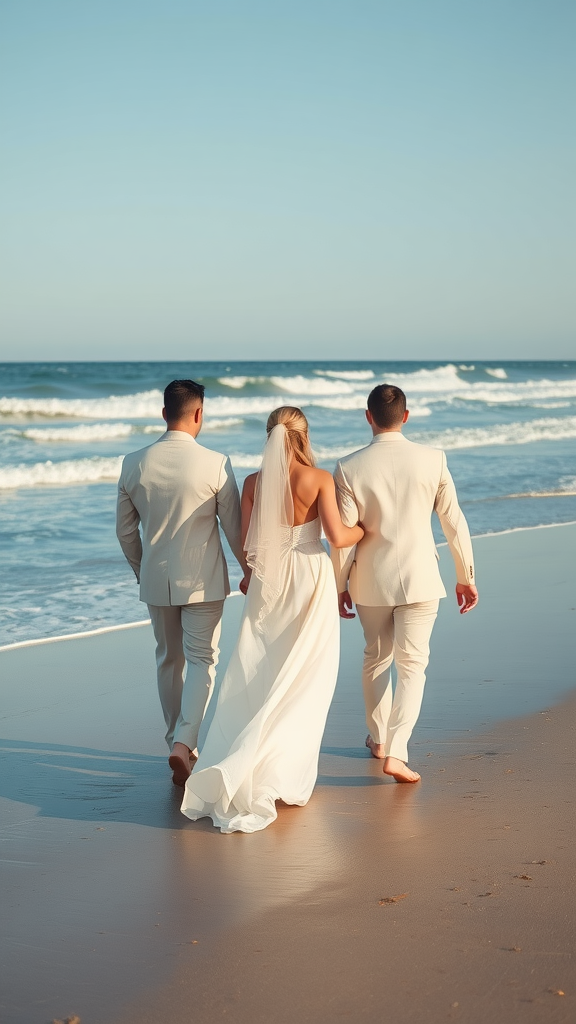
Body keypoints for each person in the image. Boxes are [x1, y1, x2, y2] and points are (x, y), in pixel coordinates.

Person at [180, 406, 364, 833]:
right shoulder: (318, 479)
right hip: (309, 577)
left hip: (269, 582)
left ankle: (244, 756)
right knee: (307, 674)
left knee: (261, 667)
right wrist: (366, 530)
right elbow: (337, 537)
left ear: (271, 437)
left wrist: (250, 577)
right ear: (302, 436)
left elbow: (248, 546)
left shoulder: (252, 483)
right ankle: (282, 771)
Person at [332, 384, 478, 783]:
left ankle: (379, 740)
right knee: (412, 665)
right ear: (406, 416)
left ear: (368, 416)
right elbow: (454, 523)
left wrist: (339, 583)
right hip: (421, 578)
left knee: (375, 657)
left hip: (370, 580)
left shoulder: (347, 466)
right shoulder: (433, 459)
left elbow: (344, 536)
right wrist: (466, 577)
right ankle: (396, 752)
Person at [116, 379, 246, 788]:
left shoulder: (133, 462)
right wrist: (250, 571)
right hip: (203, 581)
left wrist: (143, 570)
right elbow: (235, 530)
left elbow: (124, 532)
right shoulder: (216, 463)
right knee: (202, 660)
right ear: (198, 414)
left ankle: (176, 739)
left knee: (167, 660)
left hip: (156, 580)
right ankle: (184, 744)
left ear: (163, 413)